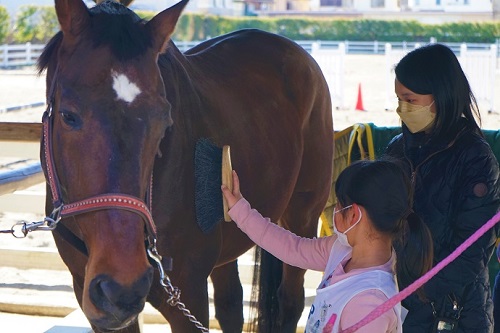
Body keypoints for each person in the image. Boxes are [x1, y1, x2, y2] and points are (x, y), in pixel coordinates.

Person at [221, 159, 434, 332]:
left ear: (353, 215)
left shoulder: (370, 301)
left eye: (339, 206)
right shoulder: (341, 249)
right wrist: (240, 209)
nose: (334, 213)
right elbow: (291, 247)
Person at [384, 43, 500, 332]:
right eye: (399, 99)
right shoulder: (397, 149)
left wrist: (413, 294)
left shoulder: (475, 157)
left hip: (452, 312)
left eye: (410, 99)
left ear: (441, 96)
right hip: (397, 303)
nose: (402, 109)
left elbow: (472, 252)